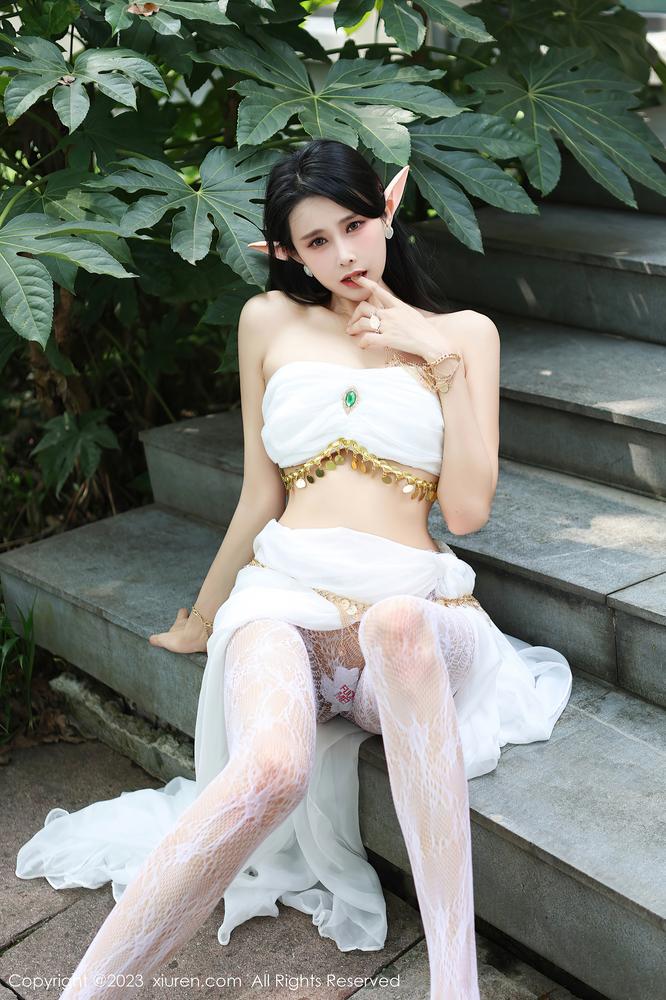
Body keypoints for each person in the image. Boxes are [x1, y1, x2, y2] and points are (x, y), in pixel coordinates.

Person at [15, 139, 573, 999]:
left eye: (355, 225)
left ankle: (454, 985)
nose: (344, 254)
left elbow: (466, 512)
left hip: (416, 610)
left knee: (396, 624)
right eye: (317, 240)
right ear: (286, 252)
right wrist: (205, 617)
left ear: (388, 211)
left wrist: (434, 354)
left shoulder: (465, 335)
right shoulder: (267, 321)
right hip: (285, 597)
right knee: (273, 768)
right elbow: (258, 493)